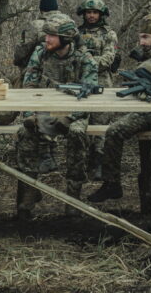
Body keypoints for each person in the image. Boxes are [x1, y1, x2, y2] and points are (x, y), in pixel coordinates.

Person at [14, 14, 97, 219]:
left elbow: (90, 94)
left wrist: (70, 117)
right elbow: (29, 86)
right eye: (47, 35)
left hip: (75, 112)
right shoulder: (40, 53)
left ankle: (73, 197)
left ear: (66, 38)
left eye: (52, 36)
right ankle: (28, 194)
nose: (47, 39)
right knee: (25, 133)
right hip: (45, 109)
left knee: (78, 134)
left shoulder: (84, 58)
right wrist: (29, 114)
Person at [90, 14, 151, 209]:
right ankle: (112, 183)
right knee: (114, 131)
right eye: (140, 37)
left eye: (145, 37)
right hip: (146, 109)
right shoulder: (148, 52)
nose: (141, 42)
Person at [76, 0, 119, 179]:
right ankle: (81, 165)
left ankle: (99, 165)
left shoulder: (109, 34)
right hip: (81, 83)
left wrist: (87, 63)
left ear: (101, 14)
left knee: (101, 126)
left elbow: (108, 58)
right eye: (88, 12)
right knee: (81, 124)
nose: (91, 15)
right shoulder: (76, 33)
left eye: (95, 12)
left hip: (102, 84)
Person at [13, 0, 63, 83]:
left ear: (41, 10)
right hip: (61, 72)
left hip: (35, 73)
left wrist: (17, 61)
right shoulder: (66, 24)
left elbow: (21, 52)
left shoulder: (34, 25)